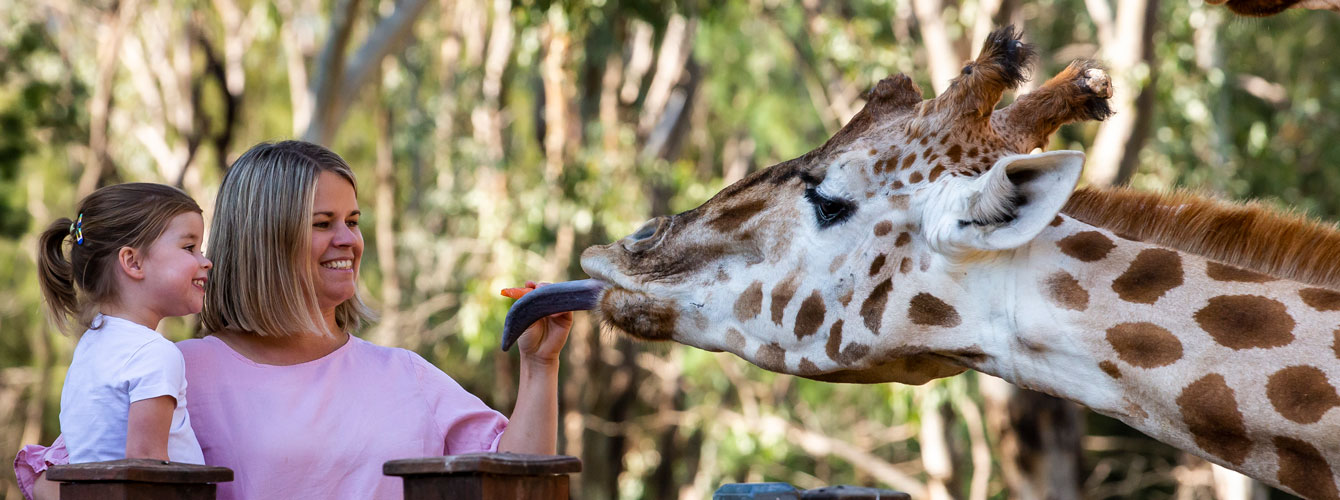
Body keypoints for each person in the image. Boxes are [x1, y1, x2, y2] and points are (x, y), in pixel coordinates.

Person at [14, 141, 572, 500]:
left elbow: (517, 480)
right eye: (323, 222)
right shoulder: (173, 369)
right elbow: (60, 481)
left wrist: (539, 365)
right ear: (264, 241)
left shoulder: (407, 377)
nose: (349, 240)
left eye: (353, 221)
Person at [33, 183, 210, 471]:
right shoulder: (154, 354)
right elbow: (146, 473)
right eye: (189, 247)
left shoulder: (90, 347)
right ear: (133, 262)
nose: (206, 261)